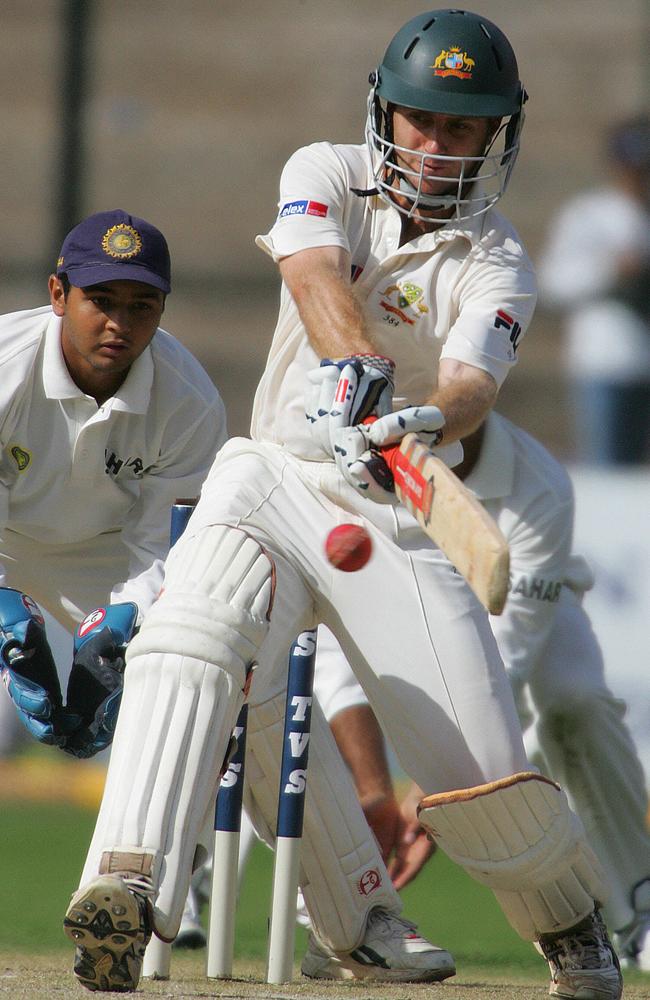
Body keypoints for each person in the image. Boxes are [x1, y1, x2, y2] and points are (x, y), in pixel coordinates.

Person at [64, 11, 622, 999]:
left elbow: (472, 388)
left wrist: (417, 416)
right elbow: (314, 274)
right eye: (419, 121)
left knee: (478, 767)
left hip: (392, 510)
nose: (437, 146)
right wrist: (355, 364)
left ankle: (567, 917)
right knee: (190, 639)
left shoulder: (494, 260)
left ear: (497, 136)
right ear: (383, 113)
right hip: (276, 470)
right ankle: (124, 884)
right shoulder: (318, 168)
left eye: (463, 128)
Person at [301, 411, 650, 977]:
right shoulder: (364, 462)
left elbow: (506, 657)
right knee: (275, 671)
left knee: (573, 699)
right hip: (406, 591)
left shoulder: (541, 482)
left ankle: (638, 905)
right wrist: (375, 789)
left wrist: (435, 794)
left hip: (527, 604)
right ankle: (329, 916)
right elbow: (341, 650)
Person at [0, 209, 227, 760]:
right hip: (7, 536)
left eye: (140, 307)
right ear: (59, 294)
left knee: (197, 687)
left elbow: (161, 546)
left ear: (162, 310)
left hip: (105, 553)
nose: (118, 324)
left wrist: (125, 625)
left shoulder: (189, 403)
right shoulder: (6, 365)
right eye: (100, 300)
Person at [538, 115, 650, 465]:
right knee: (607, 473)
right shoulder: (587, 214)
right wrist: (611, 270)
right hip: (603, 362)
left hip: (643, 363)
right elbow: (553, 282)